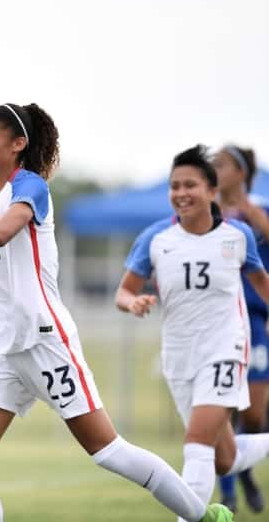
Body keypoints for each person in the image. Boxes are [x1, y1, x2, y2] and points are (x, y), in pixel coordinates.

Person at [0, 107, 233, 522]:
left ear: (18, 144)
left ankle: (206, 517)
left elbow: (0, 232)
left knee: (108, 452)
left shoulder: (31, 187)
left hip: (45, 339)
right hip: (1, 346)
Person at [116, 145, 269, 521]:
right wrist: (131, 303)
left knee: (196, 444)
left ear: (212, 191)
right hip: (179, 357)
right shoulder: (155, 238)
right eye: (175, 186)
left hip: (226, 350)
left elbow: (263, 284)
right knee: (224, 457)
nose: (181, 193)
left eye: (191, 185)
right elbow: (124, 290)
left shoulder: (237, 237)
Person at [211, 144, 269, 513]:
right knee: (220, 410)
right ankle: (227, 493)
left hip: (256, 322)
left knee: (253, 416)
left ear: (241, 173)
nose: (214, 169)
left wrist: (245, 210)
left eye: (221, 164)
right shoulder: (204, 208)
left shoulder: (258, 209)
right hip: (218, 322)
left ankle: (243, 470)